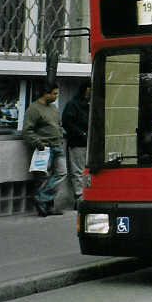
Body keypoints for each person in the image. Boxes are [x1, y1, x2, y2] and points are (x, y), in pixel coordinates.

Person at [23, 83, 66, 216]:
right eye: (54, 93)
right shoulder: (34, 109)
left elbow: (58, 124)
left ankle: (42, 198)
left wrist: (61, 134)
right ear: (45, 93)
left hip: (57, 145)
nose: (56, 96)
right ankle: (46, 205)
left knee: (62, 173)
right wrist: (38, 143)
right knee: (43, 177)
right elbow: (27, 130)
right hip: (44, 147)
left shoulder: (53, 108)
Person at [61, 80, 90, 209]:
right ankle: (79, 197)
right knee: (78, 171)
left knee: (84, 171)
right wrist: (81, 134)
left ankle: (85, 196)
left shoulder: (88, 103)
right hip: (78, 142)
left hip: (87, 142)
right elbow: (67, 123)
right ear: (86, 89)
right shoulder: (73, 104)